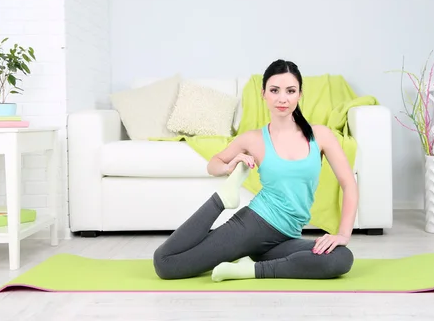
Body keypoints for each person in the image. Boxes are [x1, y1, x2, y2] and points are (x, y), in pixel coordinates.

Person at [153, 59, 358, 282]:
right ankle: (223, 198)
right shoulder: (254, 139)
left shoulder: (320, 136)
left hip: (287, 236)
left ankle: (247, 270)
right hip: (253, 227)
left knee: (341, 257)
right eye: (274, 90)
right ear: (264, 94)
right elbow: (213, 164)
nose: (282, 98)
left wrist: (343, 235)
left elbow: (349, 184)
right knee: (166, 263)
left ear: (299, 95)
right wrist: (228, 166)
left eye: (290, 91)